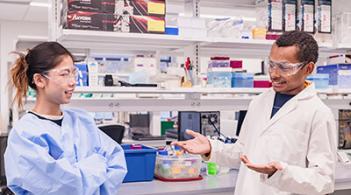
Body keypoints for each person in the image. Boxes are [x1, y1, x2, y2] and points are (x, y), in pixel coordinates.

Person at [173, 31, 337, 195]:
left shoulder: (318, 113)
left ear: (308, 68)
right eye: (271, 64)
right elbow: (242, 152)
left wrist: (281, 173)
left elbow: (324, 180)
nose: (274, 74)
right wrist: (211, 148)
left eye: (285, 67)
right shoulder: (259, 102)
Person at [4, 42, 127, 195]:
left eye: (73, 73)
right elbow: (62, 188)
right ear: (40, 80)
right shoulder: (25, 133)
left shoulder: (82, 120)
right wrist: (97, 163)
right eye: (64, 74)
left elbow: (116, 161)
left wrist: (77, 174)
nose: (73, 81)